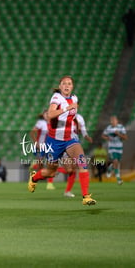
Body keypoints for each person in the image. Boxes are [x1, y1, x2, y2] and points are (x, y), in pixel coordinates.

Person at [27, 76, 96, 205]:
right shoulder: (56, 98)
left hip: (70, 139)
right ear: (60, 86)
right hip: (54, 142)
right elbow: (51, 113)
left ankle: (86, 196)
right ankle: (34, 177)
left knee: (82, 162)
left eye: (69, 83)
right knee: (51, 172)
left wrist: (79, 128)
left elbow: (72, 117)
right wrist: (66, 108)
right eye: (64, 83)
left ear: (72, 86)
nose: (66, 85)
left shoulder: (74, 98)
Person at [30, 110, 55, 189]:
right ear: (43, 115)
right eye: (46, 114)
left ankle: (50, 184)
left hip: (50, 147)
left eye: (48, 113)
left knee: (50, 165)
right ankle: (34, 169)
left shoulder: (53, 123)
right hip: (40, 146)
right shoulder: (41, 123)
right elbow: (32, 132)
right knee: (40, 166)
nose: (47, 115)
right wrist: (36, 143)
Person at [102, 115, 128, 185]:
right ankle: (118, 179)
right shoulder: (108, 128)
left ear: (117, 121)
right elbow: (103, 135)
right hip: (112, 148)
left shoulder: (121, 127)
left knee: (116, 163)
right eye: (111, 121)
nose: (112, 122)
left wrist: (118, 134)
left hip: (119, 148)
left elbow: (125, 138)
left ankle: (110, 169)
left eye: (114, 120)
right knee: (116, 162)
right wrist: (107, 138)